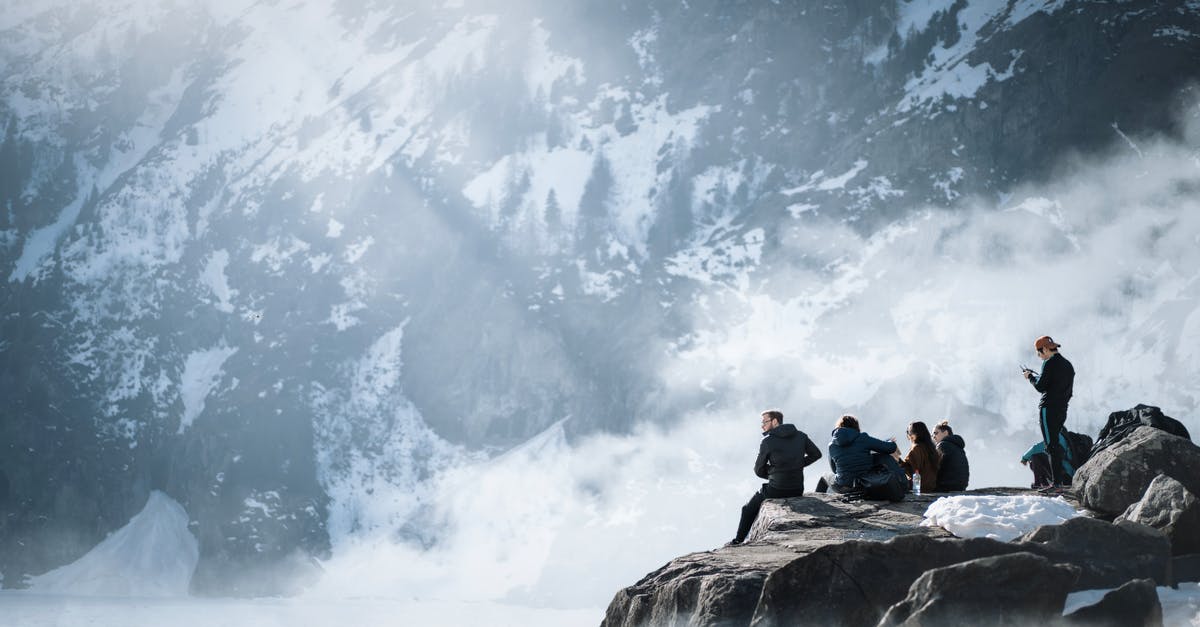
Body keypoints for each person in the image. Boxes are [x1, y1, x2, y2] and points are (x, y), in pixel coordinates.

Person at [728, 409, 822, 545]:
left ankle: (738, 540)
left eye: (765, 422)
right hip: (797, 489)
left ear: (775, 421)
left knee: (747, 509)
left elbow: (758, 470)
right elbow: (816, 454)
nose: (762, 426)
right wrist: (798, 465)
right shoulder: (801, 436)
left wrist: (773, 473)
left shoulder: (768, 441)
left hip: (776, 490)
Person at [1021, 335, 1075, 492]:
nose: (1039, 356)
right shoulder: (1067, 365)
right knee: (1055, 443)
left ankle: (1056, 484)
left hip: (1048, 408)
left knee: (1050, 445)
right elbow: (1059, 386)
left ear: (1044, 349)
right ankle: (1057, 483)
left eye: (1039, 353)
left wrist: (1030, 377)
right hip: (1062, 408)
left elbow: (1041, 387)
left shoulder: (1049, 363)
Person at [815, 414, 899, 494]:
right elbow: (890, 448)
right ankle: (900, 483)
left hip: (843, 486)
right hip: (866, 483)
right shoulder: (863, 438)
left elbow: (834, 470)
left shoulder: (832, 445)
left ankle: (816, 503)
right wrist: (890, 441)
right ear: (856, 426)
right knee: (879, 457)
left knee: (824, 476)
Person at [892, 421, 939, 492]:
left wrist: (897, 459)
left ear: (914, 435)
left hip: (919, 486)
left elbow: (912, 471)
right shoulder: (931, 448)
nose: (908, 436)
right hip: (931, 486)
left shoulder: (917, 448)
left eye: (908, 432)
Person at [932, 420, 969, 491]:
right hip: (960, 487)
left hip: (945, 487)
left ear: (945, 433)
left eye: (935, 433)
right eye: (932, 435)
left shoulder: (942, 445)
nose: (933, 437)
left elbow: (935, 467)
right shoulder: (958, 447)